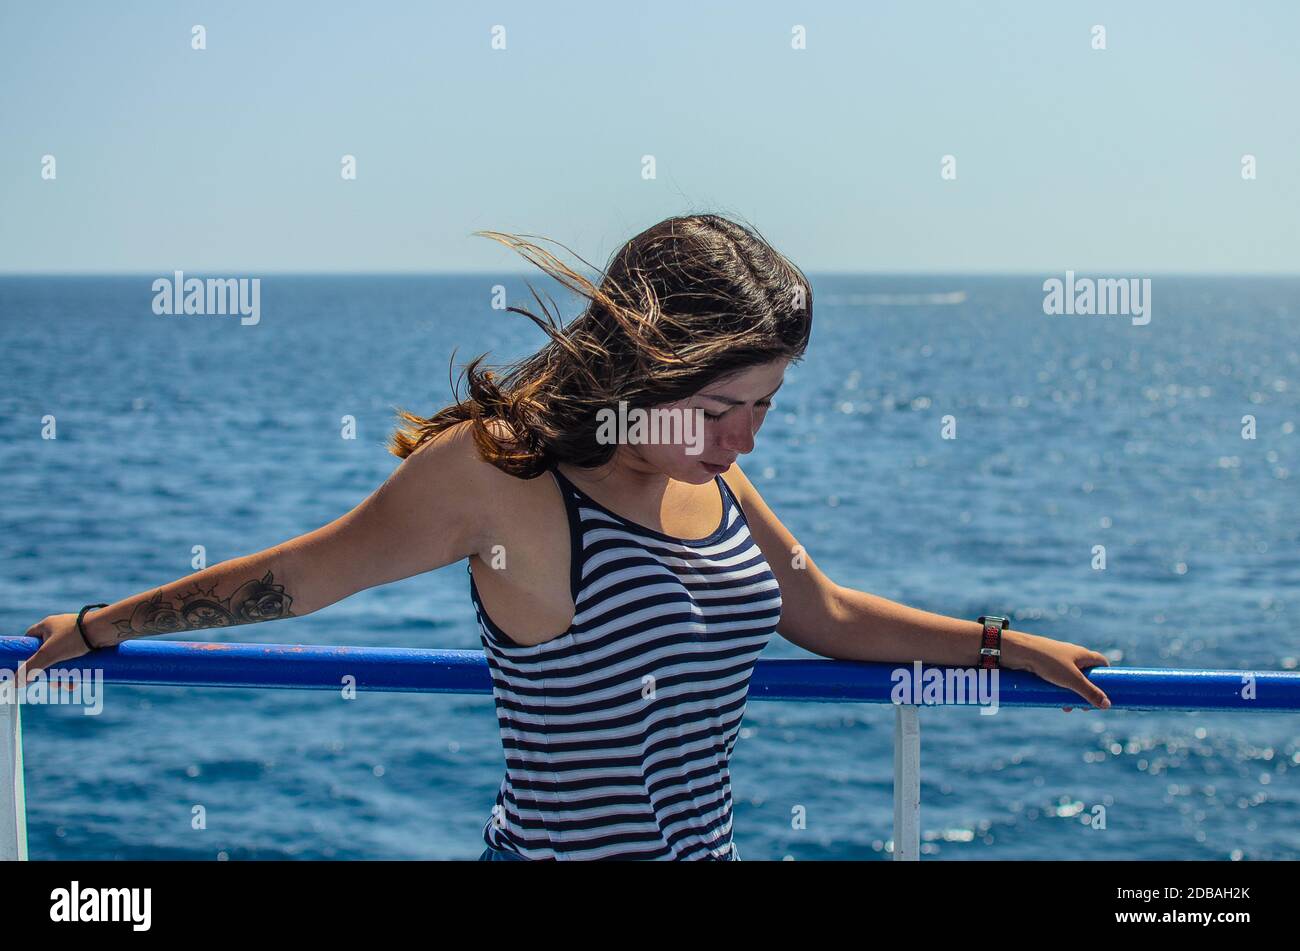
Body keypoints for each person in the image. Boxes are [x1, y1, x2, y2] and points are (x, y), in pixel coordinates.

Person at [19, 213, 1111, 861]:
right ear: (646, 368)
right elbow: (300, 578)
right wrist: (100, 625)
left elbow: (818, 610)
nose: (740, 439)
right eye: (717, 405)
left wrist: (1001, 645)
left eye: (765, 405)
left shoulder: (710, 479)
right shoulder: (502, 477)